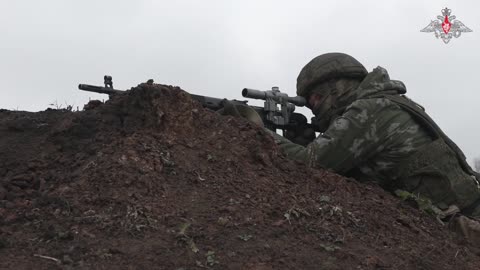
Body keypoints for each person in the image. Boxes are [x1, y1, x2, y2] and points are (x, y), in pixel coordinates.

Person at [248, 53, 480, 243]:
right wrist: (300, 141)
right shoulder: (386, 102)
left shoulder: (370, 111)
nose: (315, 108)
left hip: (468, 227)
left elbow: (312, 163)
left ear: (337, 89)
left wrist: (253, 126)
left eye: (316, 99)